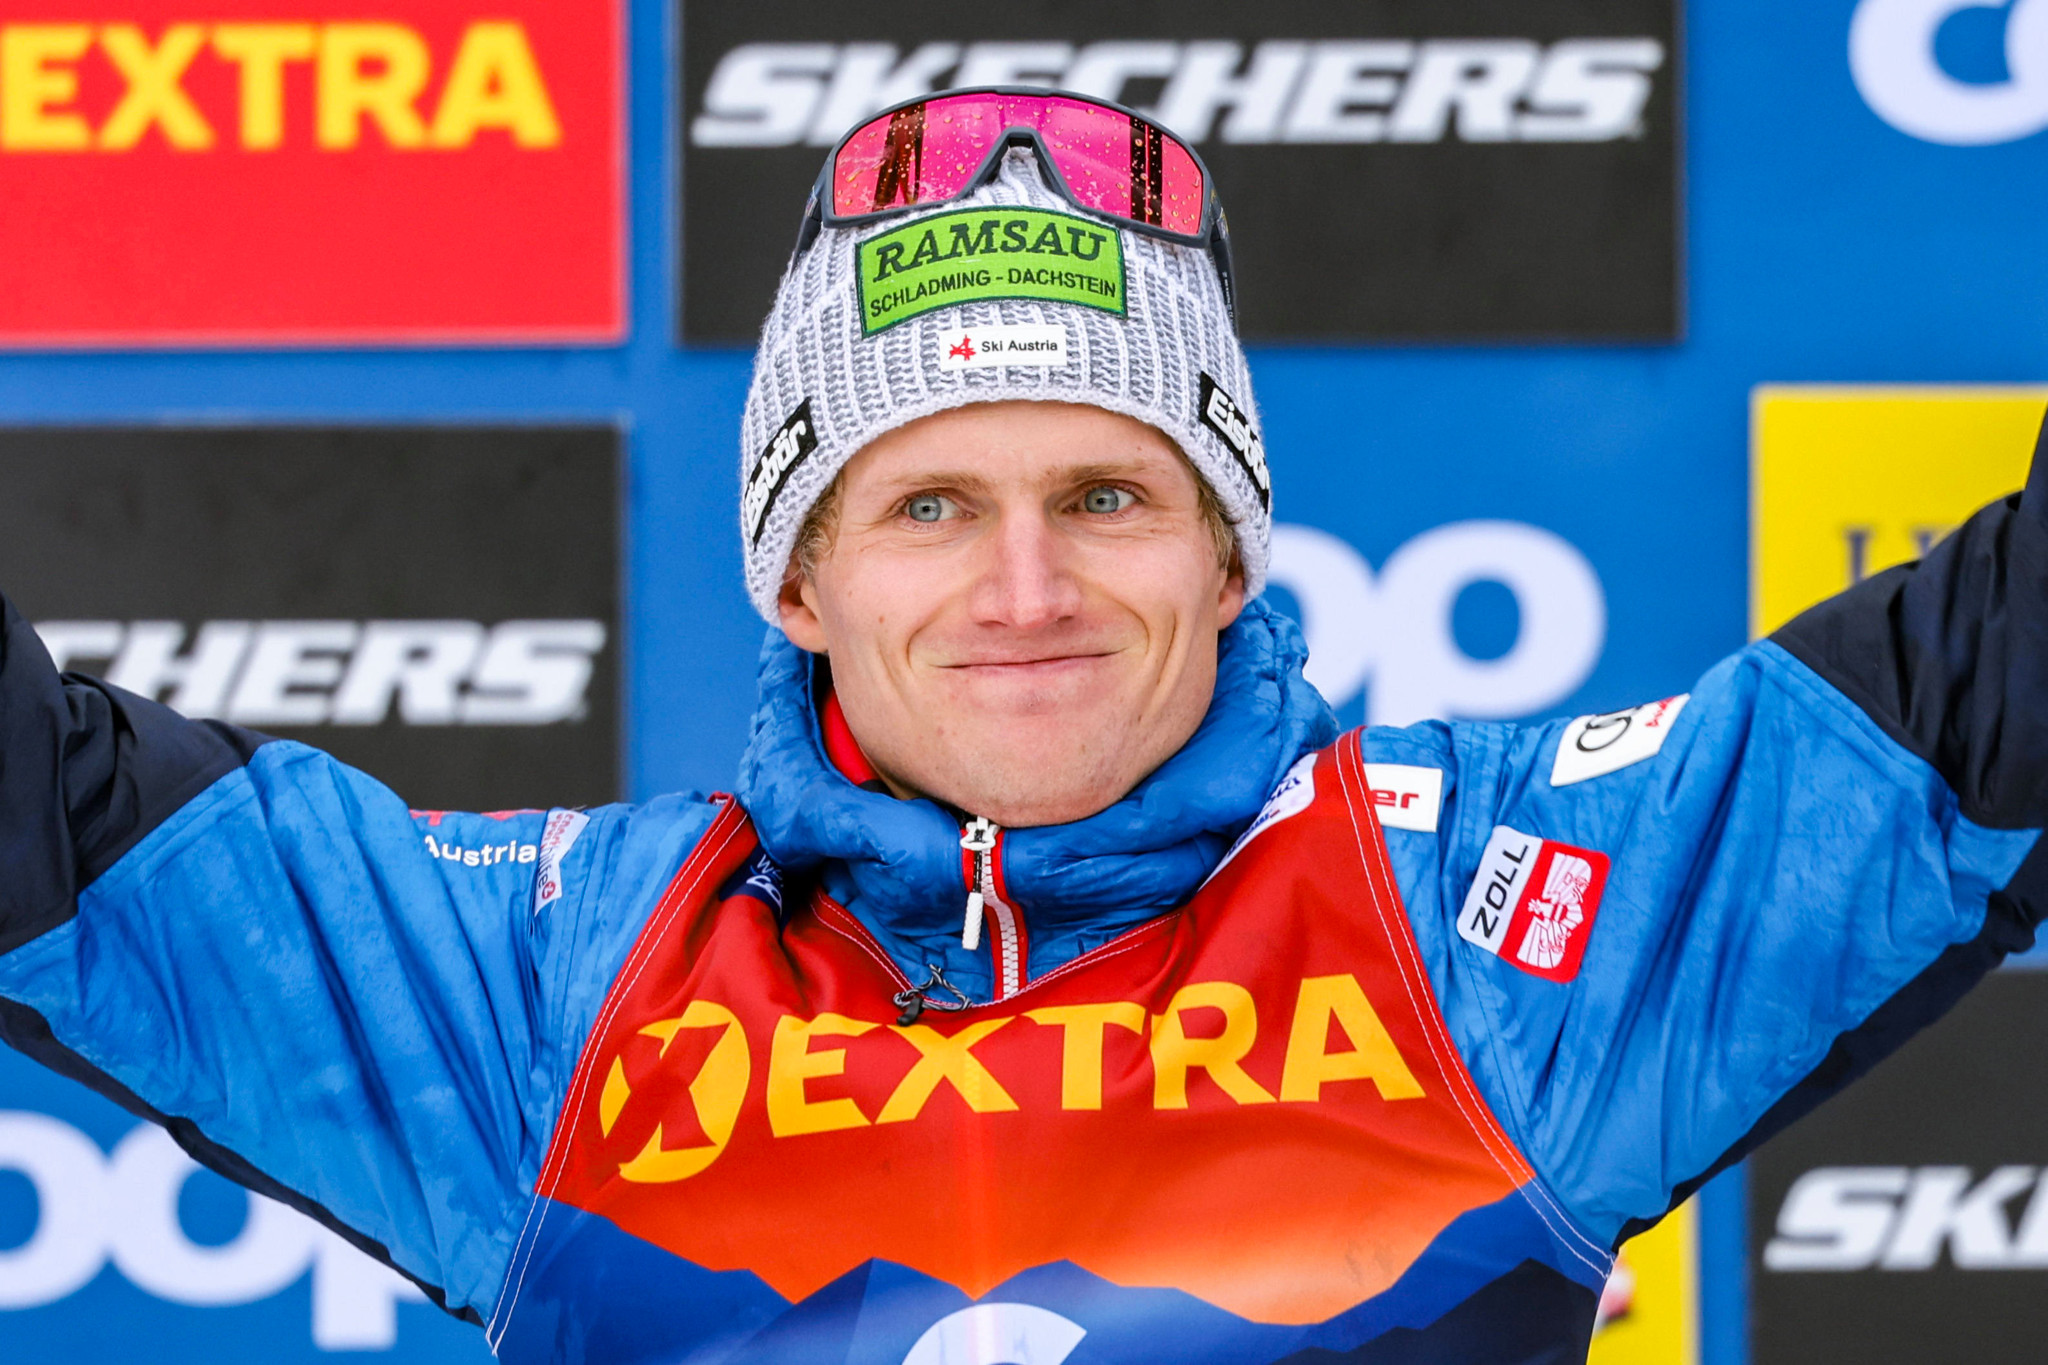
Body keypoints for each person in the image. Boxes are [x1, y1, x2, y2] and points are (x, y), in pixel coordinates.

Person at [0, 87, 2041, 1365]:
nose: (1025, 589)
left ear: (1228, 554)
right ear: (798, 583)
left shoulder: (1487, 922)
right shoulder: (553, 984)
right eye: (926, 508)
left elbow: (2001, 677)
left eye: (1108, 494)